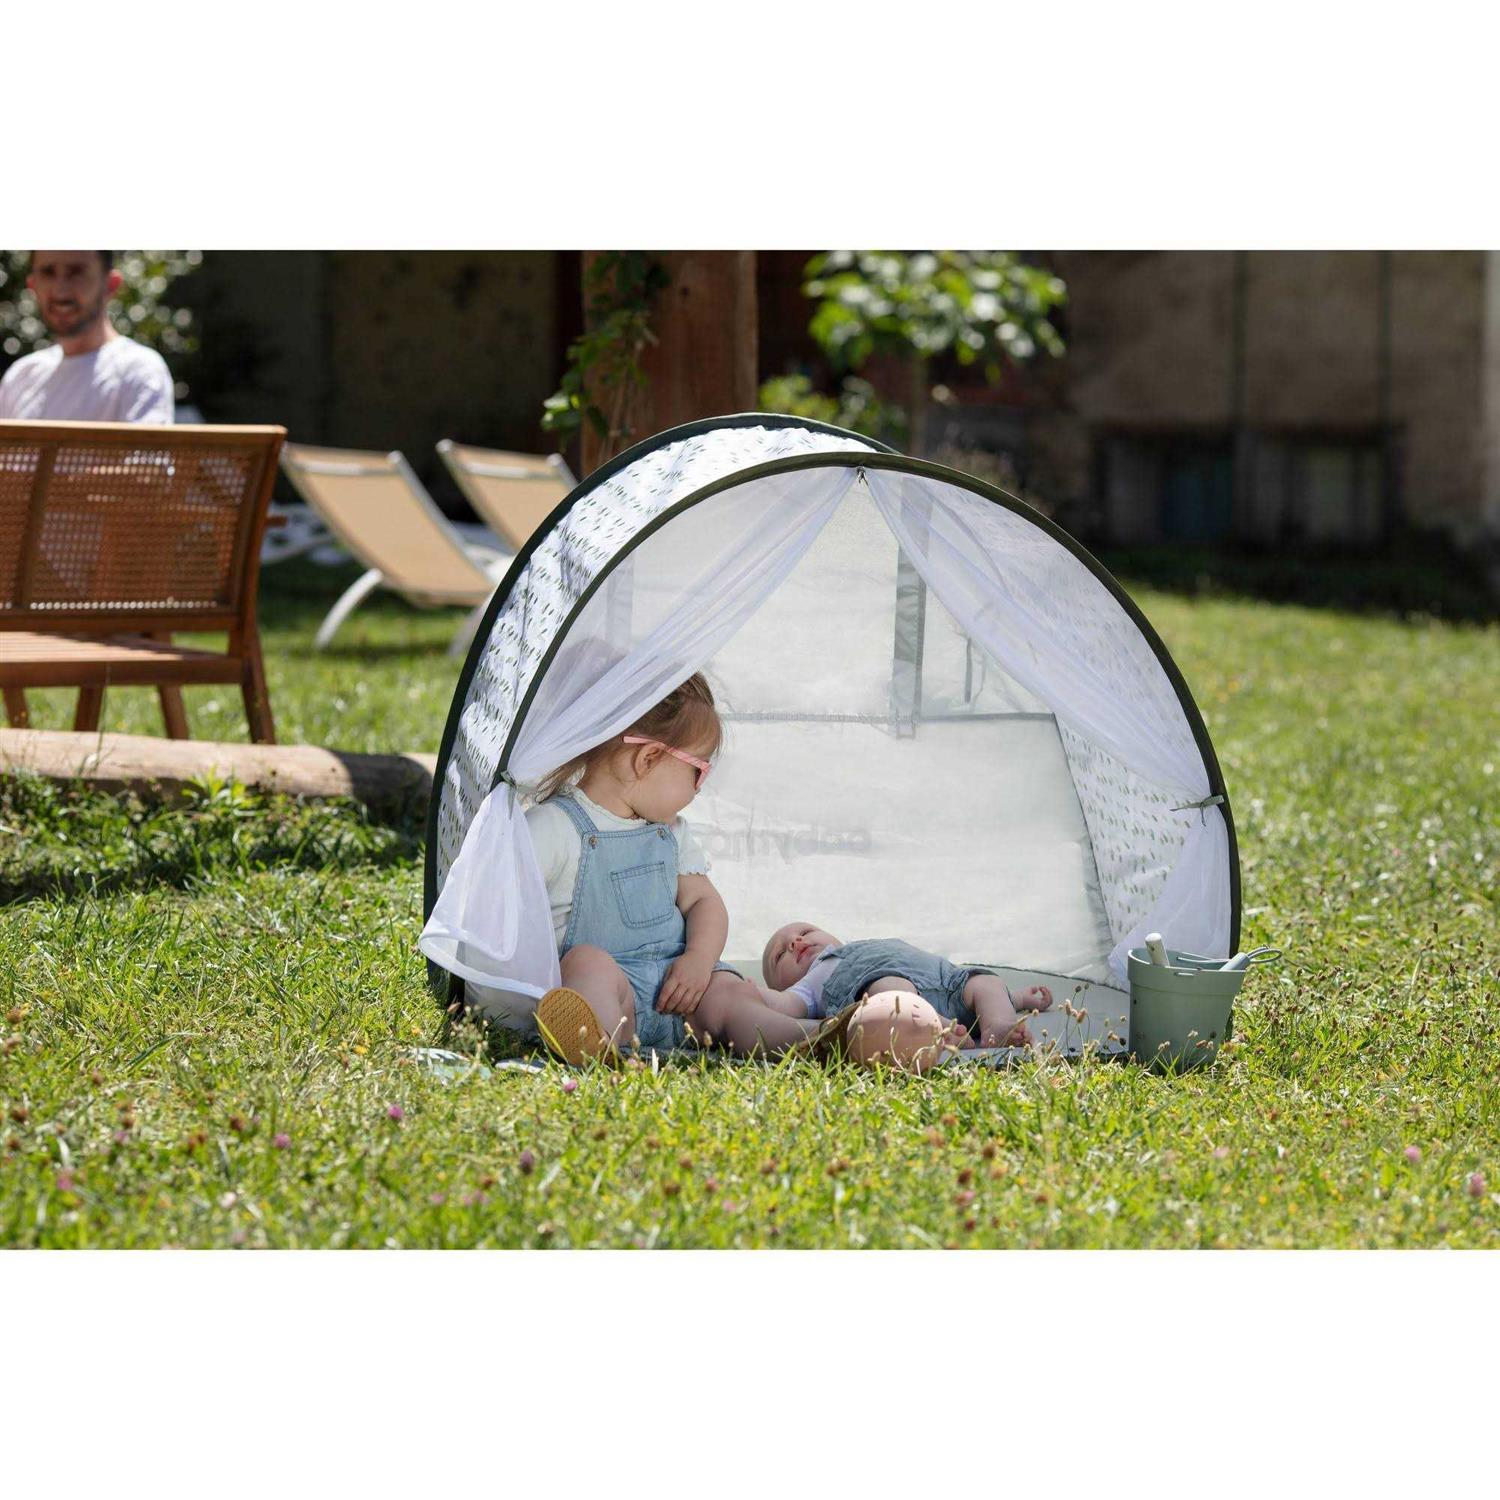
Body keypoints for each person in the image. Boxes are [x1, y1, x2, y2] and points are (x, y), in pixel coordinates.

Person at [530, 674, 813, 1064]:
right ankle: (598, 1043)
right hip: (618, 997)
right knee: (586, 963)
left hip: (686, 995)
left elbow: (703, 902)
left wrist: (699, 960)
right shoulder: (555, 827)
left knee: (728, 995)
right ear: (647, 759)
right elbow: (507, 914)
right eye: (699, 770)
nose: (699, 788)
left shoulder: (673, 834)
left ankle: (807, 1038)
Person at [760, 921, 1055, 1070]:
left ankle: (998, 1024)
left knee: (986, 982)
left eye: (805, 931)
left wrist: (1017, 998)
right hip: (891, 990)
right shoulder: (809, 983)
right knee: (890, 988)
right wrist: (754, 992)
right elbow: (783, 1005)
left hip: (950, 982)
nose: (795, 941)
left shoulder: (857, 945)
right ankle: (934, 1028)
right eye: (779, 954)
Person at [0, 251, 174, 423]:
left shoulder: (139, 372)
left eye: (76, 272)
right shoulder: (20, 377)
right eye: (48, 272)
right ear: (32, 285)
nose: (60, 290)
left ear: (111, 284)